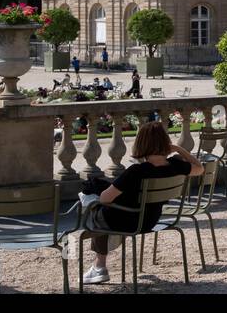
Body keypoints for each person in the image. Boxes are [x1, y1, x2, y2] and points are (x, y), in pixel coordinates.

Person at [80, 121, 203, 285]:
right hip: (150, 221)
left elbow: (105, 199)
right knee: (101, 205)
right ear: (165, 142)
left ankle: (99, 266)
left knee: (90, 201)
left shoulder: (136, 171)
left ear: (141, 143)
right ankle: (104, 254)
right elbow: (200, 168)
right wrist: (179, 149)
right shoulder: (176, 166)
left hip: (127, 222)